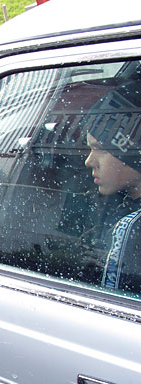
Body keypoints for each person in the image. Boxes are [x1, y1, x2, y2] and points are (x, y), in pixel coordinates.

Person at [83, 81, 141, 294]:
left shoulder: (133, 228)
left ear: (132, 153)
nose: (89, 161)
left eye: (99, 149)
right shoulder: (116, 202)